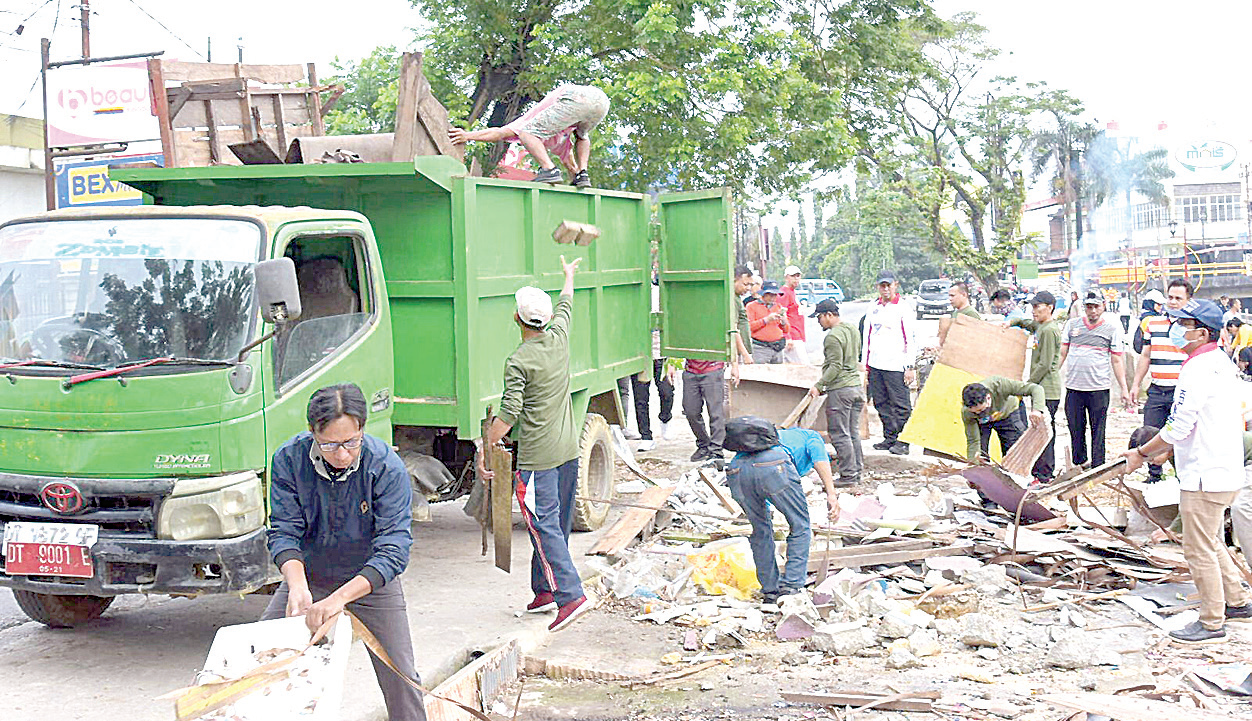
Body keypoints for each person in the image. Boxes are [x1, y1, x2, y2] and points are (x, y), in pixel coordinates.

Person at [265, 383, 425, 721]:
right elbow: (283, 531)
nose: (341, 455)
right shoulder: (288, 460)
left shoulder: (385, 466)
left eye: (351, 442)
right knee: (261, 659)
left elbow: (394, 549)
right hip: (311, 577)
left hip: (369, 581)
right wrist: (296, 586)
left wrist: (340, 598)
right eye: (330, 445)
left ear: (363, 430)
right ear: (312, 433)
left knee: (401, 676)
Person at [1122, 298, 1252, 644]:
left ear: (1202, 332)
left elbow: (1178, 427)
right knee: (1209, 540)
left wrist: (1140, 452)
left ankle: (1211, 622)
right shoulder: (1219, 362)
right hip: (1222, 467)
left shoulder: (1197, 369)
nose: (1177, 330)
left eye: (1184, 325)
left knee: (1197, 549)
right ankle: (1237, 601)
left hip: (1204, 473)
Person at [479, 255, 592, 631]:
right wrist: (569, 276)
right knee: (555, 523)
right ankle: (544, 591)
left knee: (542, 525)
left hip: (539, 458)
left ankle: (570, 596)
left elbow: (508, 415)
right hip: (567, 451)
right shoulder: (559, 339)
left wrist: (486, 449)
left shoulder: (519, 360)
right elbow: (566, 305)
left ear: (517, 318)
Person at [725, 422, 840, 604]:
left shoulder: (770, 437)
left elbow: (761, 486)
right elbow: (819, 458)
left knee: (761, 530)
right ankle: (791, 588)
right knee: (800, 526)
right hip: (774, 467)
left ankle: (770, 592)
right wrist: (831, 495)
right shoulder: (812, 437)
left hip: (736, 471)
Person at [449, 84, 609, 187]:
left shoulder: (527, 122)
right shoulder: (561, 136)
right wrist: (576, 178)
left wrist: (467, 135)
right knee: (582, 135)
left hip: (575, 96)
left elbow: (497, 133)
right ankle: (584, 173)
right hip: (601, 102)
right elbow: (570, 164)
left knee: (527, 133)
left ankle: (549, 170)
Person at [684, 266, 754, 465]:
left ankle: (716, 451)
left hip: (713, 367)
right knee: (690, 410)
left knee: (716, 413)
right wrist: (671, 363)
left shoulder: (722, 306)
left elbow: (732, 332)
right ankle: (703, 444)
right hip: (690, 368)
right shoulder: (688, 314)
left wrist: (736, 363)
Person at [1060, 290, 1132, 470]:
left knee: (1098, 429)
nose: (1092, 311)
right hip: (1074, 387)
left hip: (1099, 388)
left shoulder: (1111, 329)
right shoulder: (1072, 325)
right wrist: (1053, 372)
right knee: (1075, 428)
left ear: (1103, 307)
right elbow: (1062, 352)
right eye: (1088, 307)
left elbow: (1117, 359)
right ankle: (1080, 463)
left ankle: (1098, 466)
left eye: (1096, 307)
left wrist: (1124, 388)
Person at [1129, 279, 1192, 483]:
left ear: (1188, 300)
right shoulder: (1153, 323)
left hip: (1181, 391)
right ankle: (1154, 476)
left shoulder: (1193, 328)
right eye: (1170, 297)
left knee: (1181, 437)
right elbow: (1146, 355)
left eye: (1178, 298)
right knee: (1150, 434)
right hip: (1157, 389)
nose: (1173, 302)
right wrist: (1136, 384)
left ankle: (1183, 477)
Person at [1009, 291, 1063, 483]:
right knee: (1039, 429)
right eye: (1032, 307)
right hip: (1040, 388)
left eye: (1037, 307)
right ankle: (1040, 471)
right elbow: (1030, 325)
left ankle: (1045, 473)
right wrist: (1014, 322)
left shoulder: (1049, 330)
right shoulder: (1041, 326)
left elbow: (1045, 364)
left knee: (1044, 431)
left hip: (1047, 389)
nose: (1034, 311)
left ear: (1050, 308)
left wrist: (1028, 385)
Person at [808, 299, 863, 486]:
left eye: (819, 317)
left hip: (841, 389)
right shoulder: (852, 329)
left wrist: (819, 385)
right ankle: (857, 471)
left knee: (839, 434)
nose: (818, 322)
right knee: (852, 432)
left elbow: (835, 366)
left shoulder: (832, 337)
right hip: (856, 387)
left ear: (829, 315)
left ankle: (848, 475)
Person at [863, 270, 915, 456]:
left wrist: (910, 366)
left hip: (896, 365)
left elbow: (910, 338)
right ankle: (890, 437)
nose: (885, 289)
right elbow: (867, 336)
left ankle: (904, 440)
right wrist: (865, 365)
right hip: (876, 363)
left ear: (895, 285)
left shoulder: (903, 308)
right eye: (882, 285)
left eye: (888, 285)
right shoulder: (873, 306)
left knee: (901, 405)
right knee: (881, 402)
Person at [960, 377, 1046, 461]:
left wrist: (1037, 410)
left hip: (1008, 414)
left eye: (981, 410)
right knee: (980, 454)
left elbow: (1036, 388)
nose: (979, 413)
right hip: (984, 423)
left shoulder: (1000, 385)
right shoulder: (967, 412)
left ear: (988, 398)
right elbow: (973, 441)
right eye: (975, 412)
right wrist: (973, 463)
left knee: (1014, 452)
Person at [747, 280, 790, 364]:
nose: (773, 298)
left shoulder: (778, 307)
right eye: (770, 295)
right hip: (760, 348)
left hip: (777, 347)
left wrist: (784, 321)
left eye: (775, 295)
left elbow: (786, 330)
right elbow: (750, 327)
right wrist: (766, 320)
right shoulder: (751, 306)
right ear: (763, 294)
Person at [779, 265, 809, 364]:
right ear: (786, 277)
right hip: (793, 336)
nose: (796, 279)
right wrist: (787, 337)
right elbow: (782, 315)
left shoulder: (792, 292)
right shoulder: (784, 293)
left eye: (798, 276)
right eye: (793, 276)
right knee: (804, 367)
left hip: (798, 335)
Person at [1132, 288, 1167, 354]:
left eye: (1161, 305)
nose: (1160, 307)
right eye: (1158, 304)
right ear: (1150, 304)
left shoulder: (1150, 316)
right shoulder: (1148, 319)